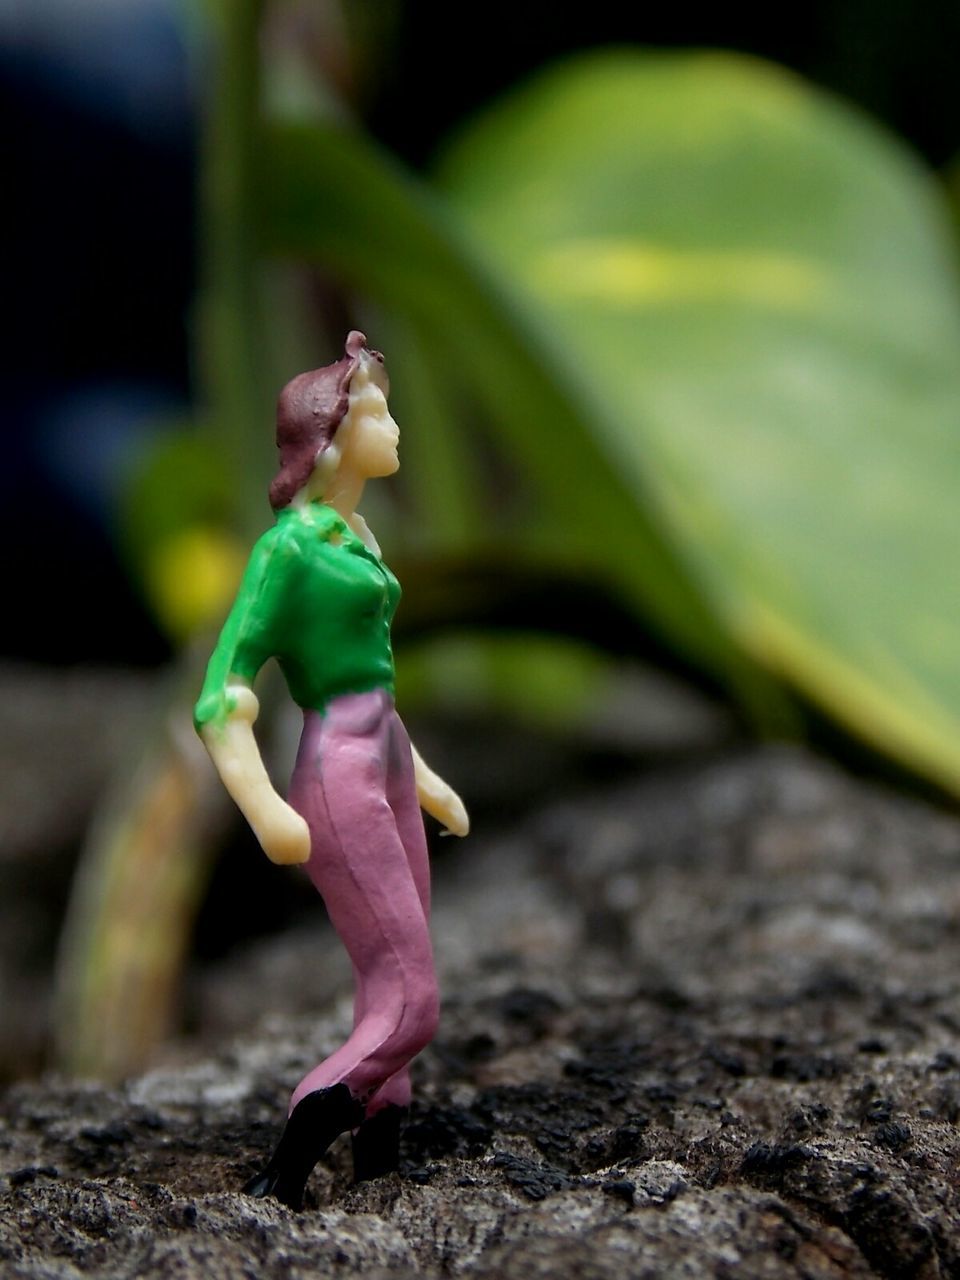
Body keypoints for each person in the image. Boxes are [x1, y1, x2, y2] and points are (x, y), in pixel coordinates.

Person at [194, 331, 469, 1209]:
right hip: (338, 770)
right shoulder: (290, 550)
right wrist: (263, 803)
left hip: (383, 750)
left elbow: (376, 681)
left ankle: (382, 1157)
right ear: (330, 435)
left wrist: (421, 773)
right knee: (412, 1001)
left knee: (386, 976)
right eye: (376, 413)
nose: (394, 427)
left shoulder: (354, 535)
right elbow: (223, 691)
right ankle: (291, 1160)